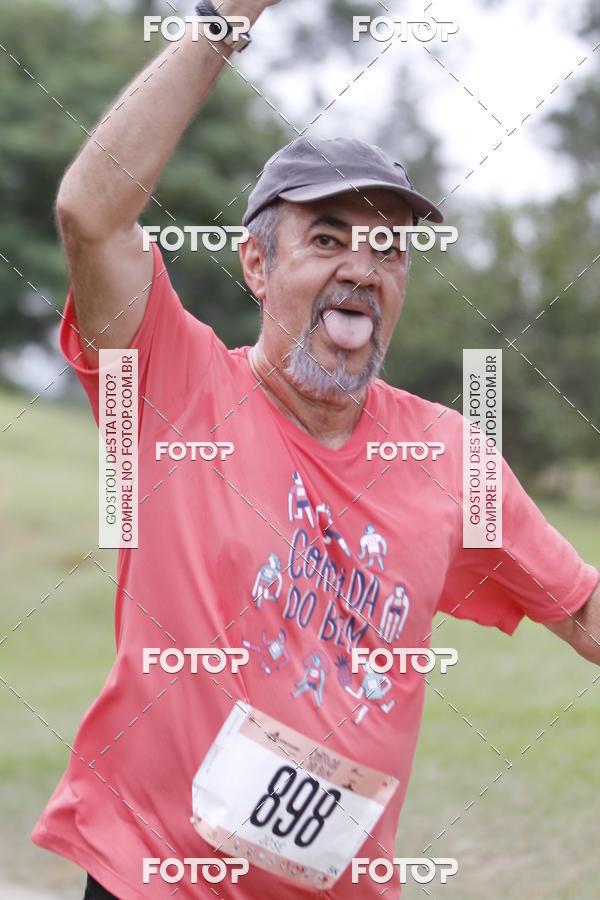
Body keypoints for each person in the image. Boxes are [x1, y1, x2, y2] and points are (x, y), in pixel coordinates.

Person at [32, 1, 600, 897]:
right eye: (327, 239)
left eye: (389, 250)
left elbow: (583, 611)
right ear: (257, 267)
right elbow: (89, 215)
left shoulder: (451, 457)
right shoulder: (175, 387)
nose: (363, 270)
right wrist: (222, 20)